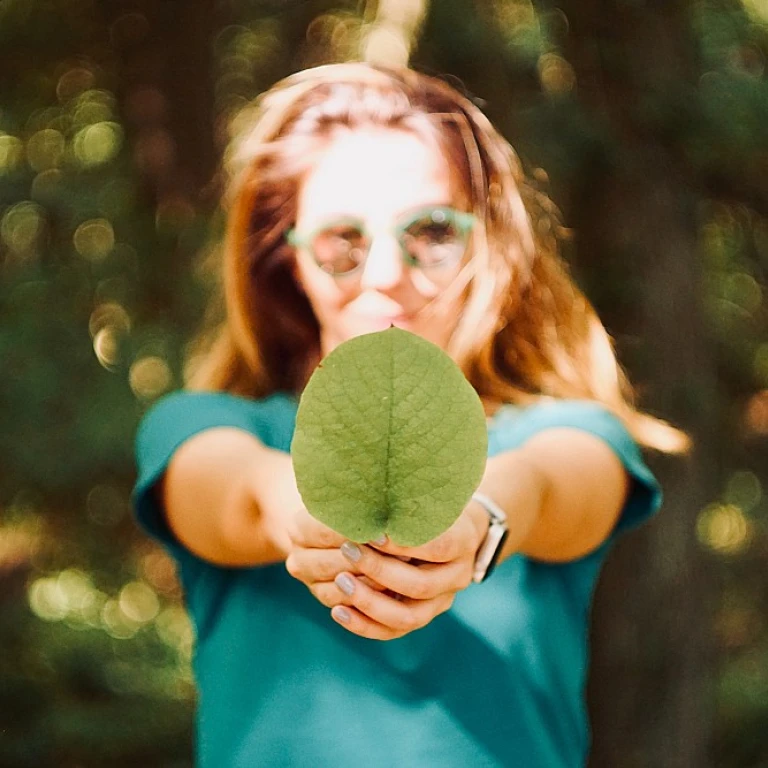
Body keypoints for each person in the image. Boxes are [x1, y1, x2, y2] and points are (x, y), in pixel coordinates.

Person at [132, 62, 687, 768]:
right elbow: (236, 493)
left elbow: (547, 487)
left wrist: (476, 522)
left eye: (431, 231)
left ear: (485, 242)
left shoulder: (569, 433)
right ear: (288, 259)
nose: (387, 272)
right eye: (343, 239)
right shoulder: (200, 426)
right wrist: (307, 513)